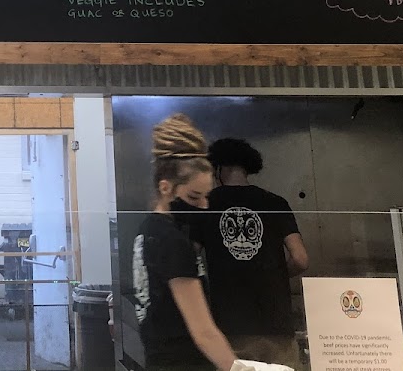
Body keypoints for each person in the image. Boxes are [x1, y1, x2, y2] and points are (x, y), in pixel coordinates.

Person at [132, 113, 240, 371]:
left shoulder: (148, 229)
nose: (203, 206)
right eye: (194, 197)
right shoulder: (173, 241)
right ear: (166, 188)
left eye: (206, 197)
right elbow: (204, 332)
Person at [196, 137, 309, 369]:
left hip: (230, 325)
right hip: (277, 323)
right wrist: (275, 275)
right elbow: (300, 259)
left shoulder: (206, 206)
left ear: (219, 168)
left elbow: (189, 257)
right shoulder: (275, 202)